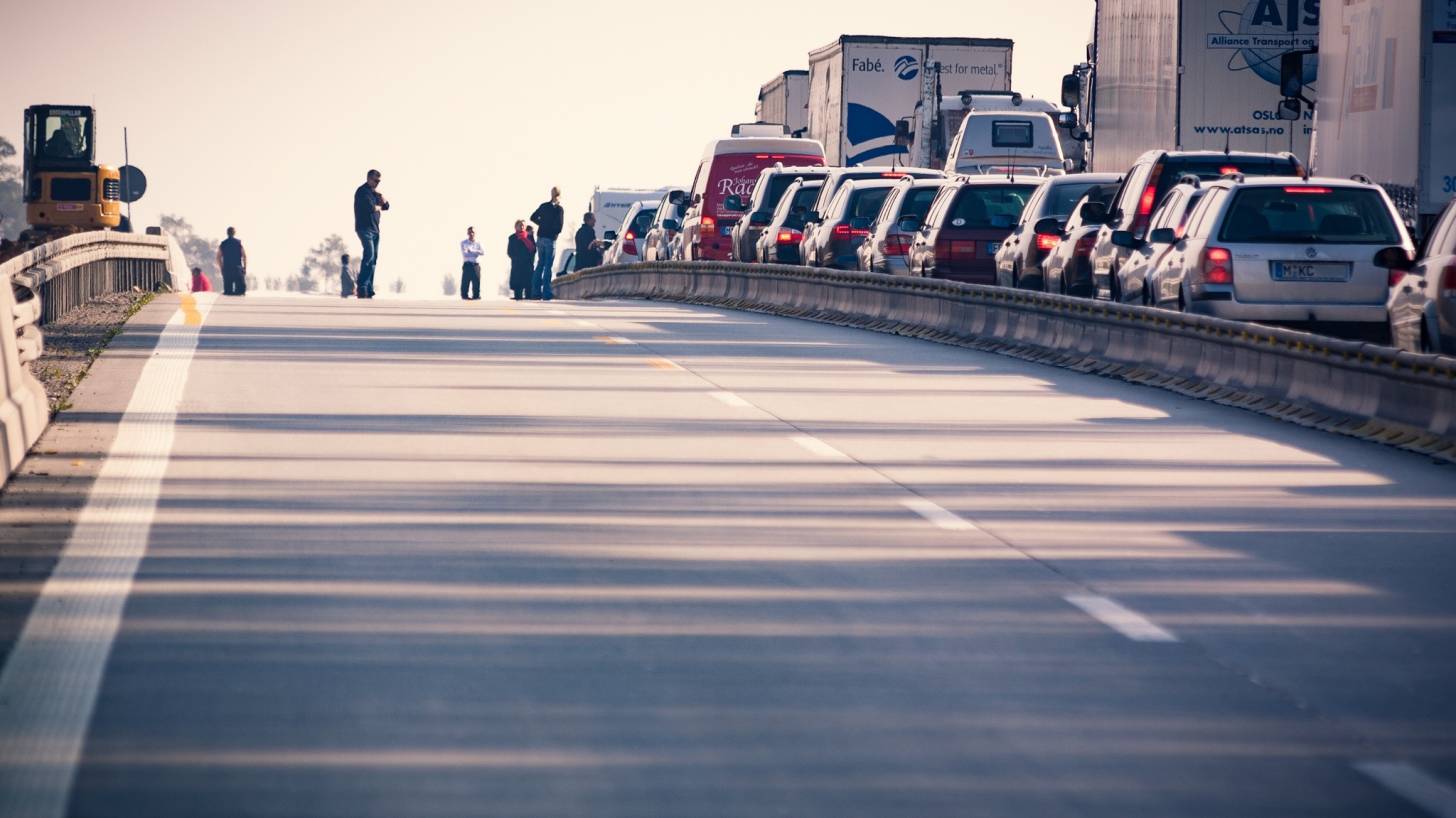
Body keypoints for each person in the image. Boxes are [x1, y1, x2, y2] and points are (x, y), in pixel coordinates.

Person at [353, 169, 389, 299]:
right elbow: (371, 207)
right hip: (364, 228)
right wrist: (379, 206)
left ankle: (368, 288)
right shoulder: (363, 191)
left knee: (373, 259)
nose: (377, 183)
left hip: (375, 230)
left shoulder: (374, 193)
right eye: (375, 180)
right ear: (369, 178)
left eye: (379, 181)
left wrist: (382, 198)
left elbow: (387, 206)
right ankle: (362, 286)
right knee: (369, 255)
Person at [529, 187, 564, 300]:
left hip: (540, 237)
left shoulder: (544, 206)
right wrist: (553, 231)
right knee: (548, 266)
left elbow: (532, 217)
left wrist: (542, 224)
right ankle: (546, 293)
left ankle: (535, 292)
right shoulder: (559, 209)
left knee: (540, 264)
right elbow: (559, 227)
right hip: (550, 238)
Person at [507, 220, 535, 301]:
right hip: (517, 264)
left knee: (528, 282)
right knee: (517, 282)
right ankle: (517, 296)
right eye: (520, 225)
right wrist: (516, 259)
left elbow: (533, 249)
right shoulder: (512, 238)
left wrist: (529, 259)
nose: (522, 227)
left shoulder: (529, 237)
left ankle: (528, 296)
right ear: (516, 227)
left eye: (523, 225)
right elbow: (509, 251)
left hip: (527, 263)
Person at [216, 227, 247, 296]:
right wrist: (244, 268)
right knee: (241, 292)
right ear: (234, 233)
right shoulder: (238, 243)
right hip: (237, 269)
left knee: (228, 292)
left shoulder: (223, 244)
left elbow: (218, 257)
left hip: (227, 270)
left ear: (227, 233)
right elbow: (244, 256)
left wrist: (222, 268)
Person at [460, 226, 483, 300]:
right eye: (470, 232)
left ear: (475, 233)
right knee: (465, 282)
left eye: (473, 232)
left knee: (476, 281)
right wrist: (476, 252)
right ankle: (464, 296)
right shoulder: (464, 243)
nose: (471, 234)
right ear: (467, 233)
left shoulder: (478, 243)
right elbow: (465, 254)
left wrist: (472, 251)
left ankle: (476, 296)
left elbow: (482, 252)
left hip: (476, 265)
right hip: (467, 265)